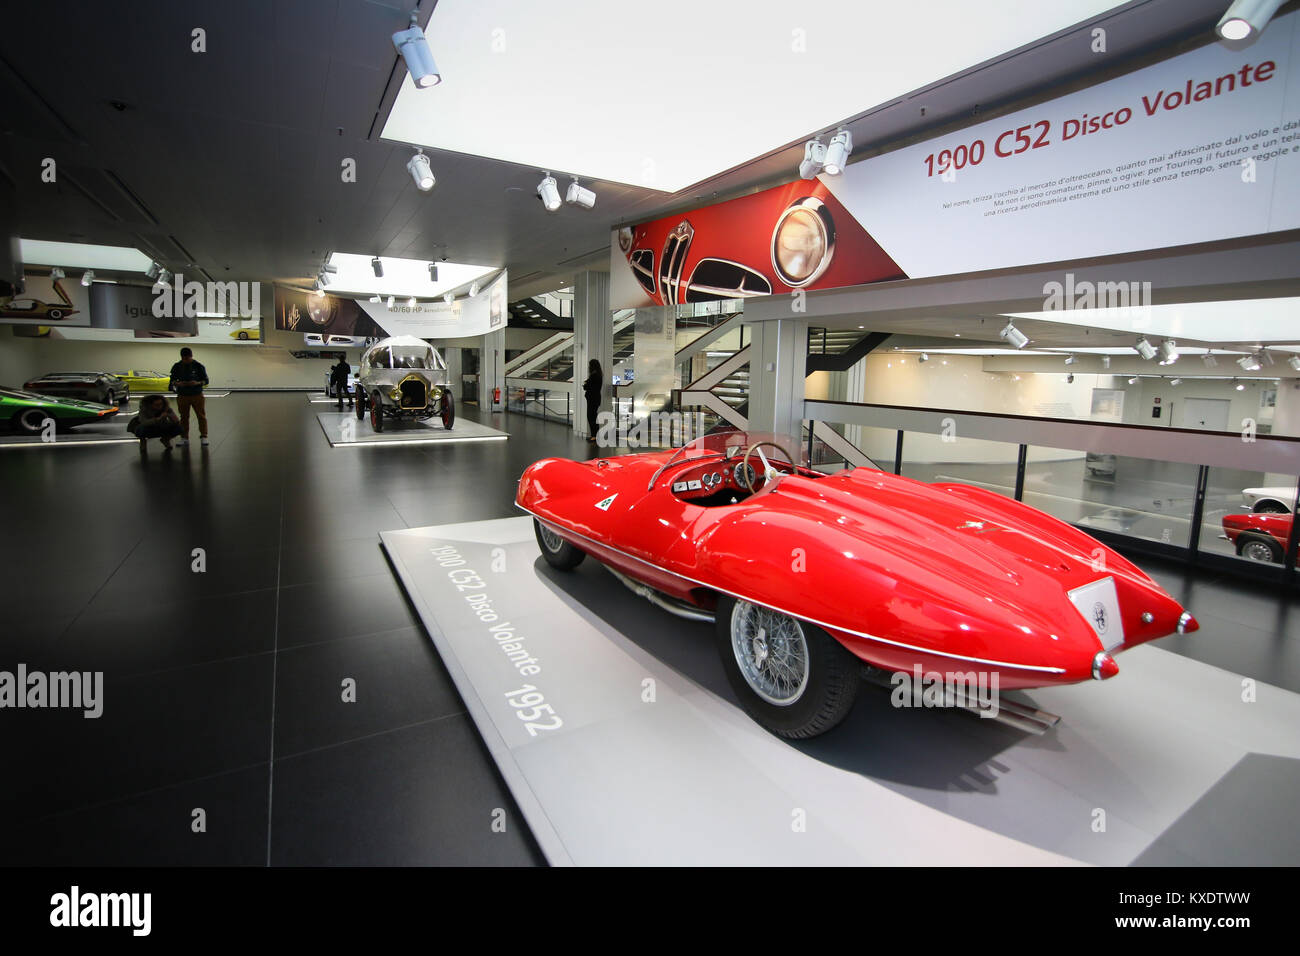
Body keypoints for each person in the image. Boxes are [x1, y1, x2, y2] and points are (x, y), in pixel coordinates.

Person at [169, 347, 210, 447]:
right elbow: (172, 380)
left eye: (188, 358)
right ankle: (184, 437)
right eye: (184, 358)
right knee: (183, 417)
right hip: (182, 395)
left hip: (197, 394)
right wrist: (178, 383)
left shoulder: (198, 366)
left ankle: (204, 436)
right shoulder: (177, 366)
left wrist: (197, 383)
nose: (186, 360)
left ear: (191, 356)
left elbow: (206, 381)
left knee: (201, 416)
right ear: (181, 357)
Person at [583, 359, 603, 444]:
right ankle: (595, 435)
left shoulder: (594, 376)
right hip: (595, 399)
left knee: (591, 417)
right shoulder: (598, 375)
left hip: (592, 399)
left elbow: (588, 387)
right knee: (593, 416)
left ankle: (594, 436)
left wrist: (585, 385)